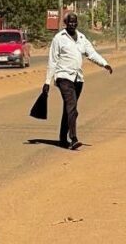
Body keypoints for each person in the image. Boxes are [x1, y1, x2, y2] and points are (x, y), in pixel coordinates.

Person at [44, 12, 113, 150]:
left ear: (77, 23)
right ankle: (73, 138)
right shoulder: (59, 38)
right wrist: (47, 81)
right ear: (65, 23)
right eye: (70, 22)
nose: (72, 24)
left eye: (74, 22)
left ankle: (62, 138)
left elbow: (91, 53)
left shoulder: (81, 38)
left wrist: (104, 64)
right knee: (72, 107)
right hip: (63, 77)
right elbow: (52, 61)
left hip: (78, 78)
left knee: (69, 109)